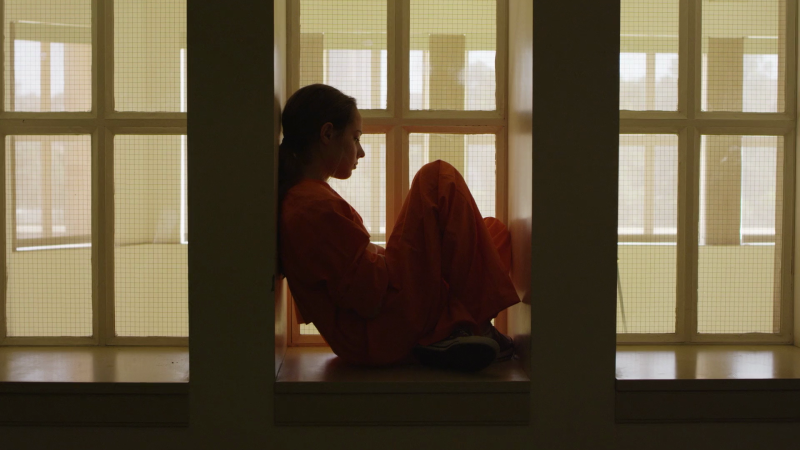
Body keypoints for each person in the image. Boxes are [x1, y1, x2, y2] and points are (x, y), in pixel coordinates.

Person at [278, 84, 520, 372]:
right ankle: (472, 328)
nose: (362, 151)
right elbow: (368, 295)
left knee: (492, 233)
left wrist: (402, 253)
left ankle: (448, 334)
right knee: (438, 178)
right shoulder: (310, 205)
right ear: (327, 134)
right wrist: (397, 254)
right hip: (376, 332)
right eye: (356, 138)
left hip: (383, 325)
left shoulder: (310, 198)